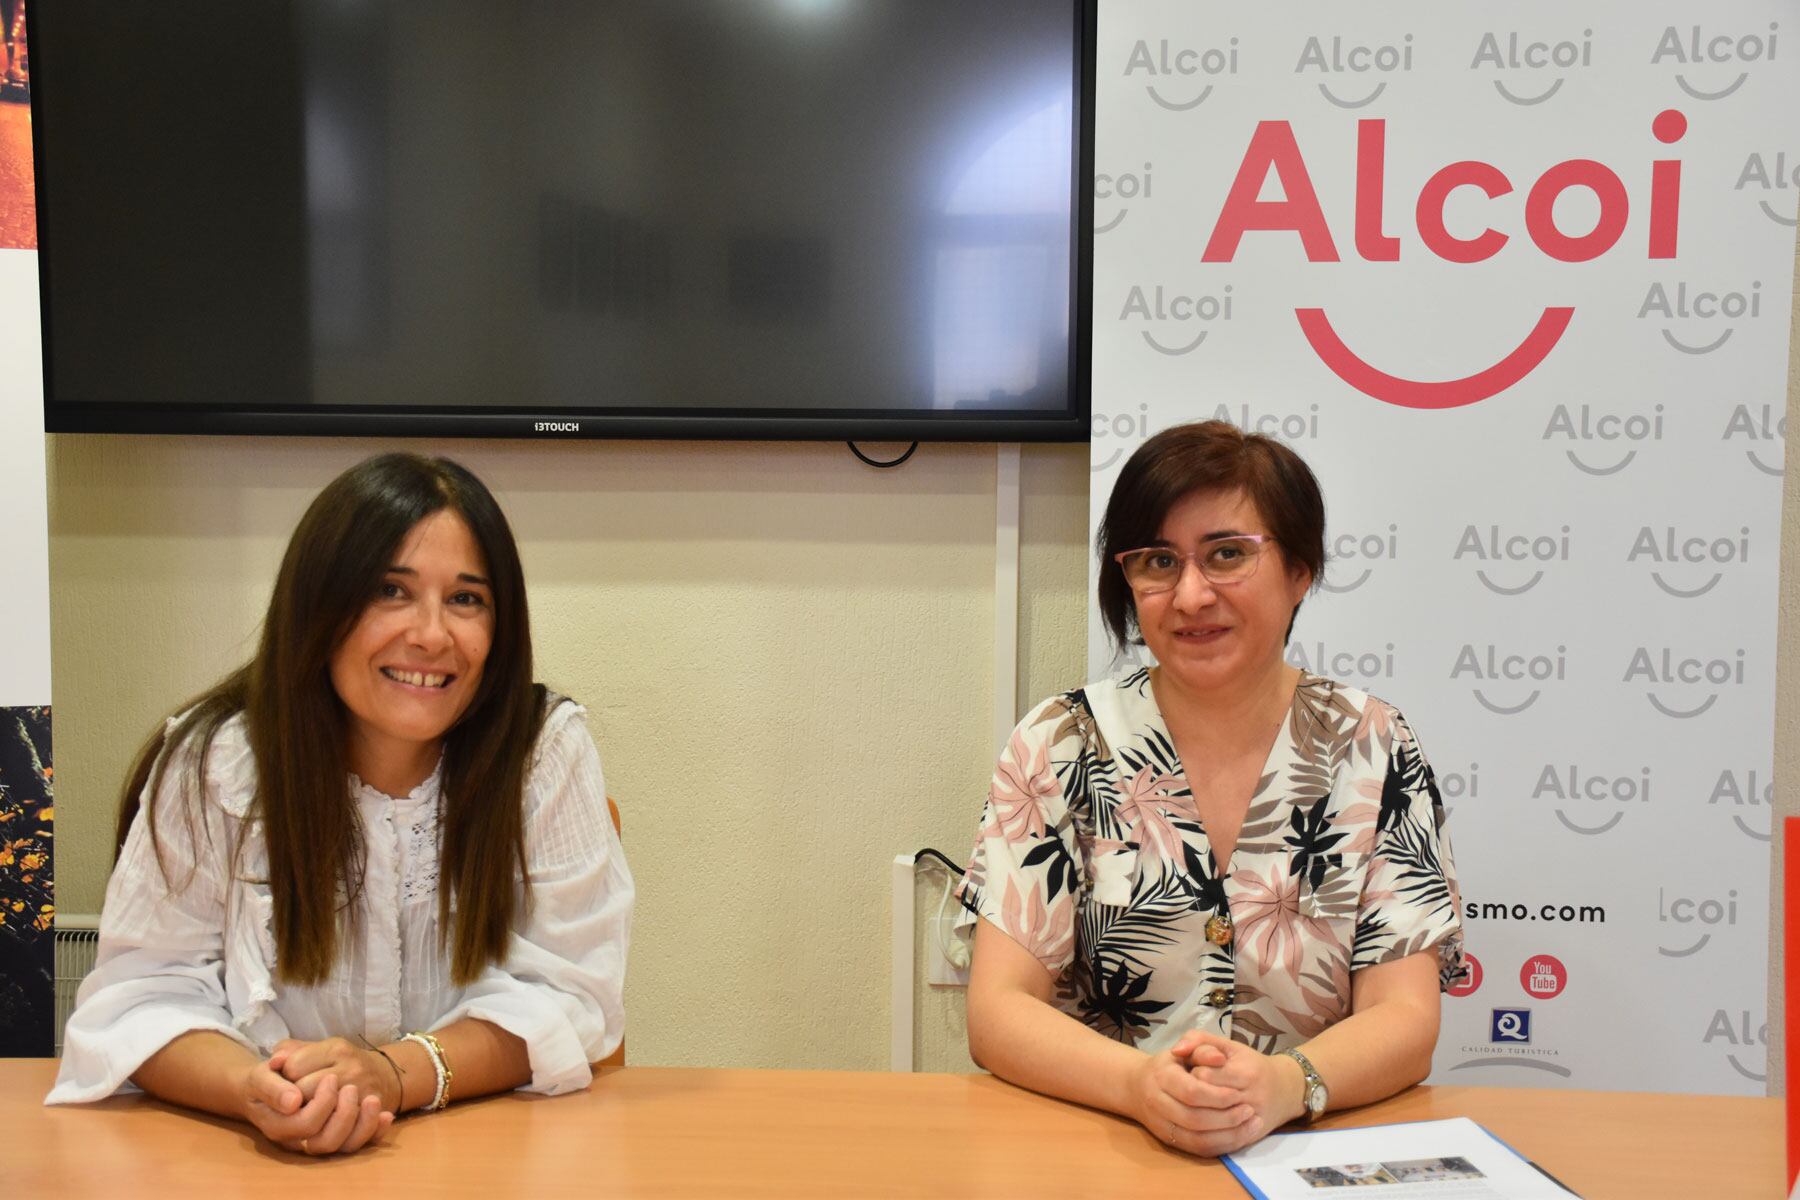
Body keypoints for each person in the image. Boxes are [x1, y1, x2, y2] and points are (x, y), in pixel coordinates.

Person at [47, 454, 633, 1157]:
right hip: (259, 1164)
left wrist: (393, 1075)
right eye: (391, 590)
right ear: (319, 607)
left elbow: (572, 998)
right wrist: (261, 1093)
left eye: (467, 599)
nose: (432, 635)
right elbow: (138, 1000)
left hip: (488, 1157)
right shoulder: (216, 762)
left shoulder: (544, 752)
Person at [955, 420, 1464, 1157]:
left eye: (1227, 555)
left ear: (1299, 571)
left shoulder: (1373, 744)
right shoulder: (1061, 743)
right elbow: (999, 1011)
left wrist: (1286, 1085)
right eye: (1158, 562)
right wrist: (1138, 1086)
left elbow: (1406, 1017)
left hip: (1308, 1151)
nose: (1191, 595)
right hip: (1100, 1147)